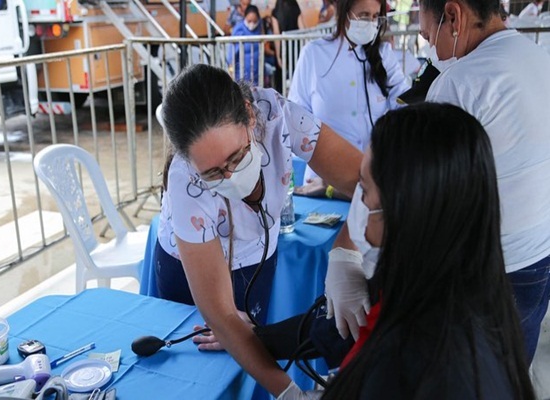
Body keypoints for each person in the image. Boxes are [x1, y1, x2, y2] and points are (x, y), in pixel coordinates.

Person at [155, 64, 362, 398]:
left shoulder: (278, 116)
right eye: (212, 173)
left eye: (237, 156)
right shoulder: (185, 180)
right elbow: (220, 314)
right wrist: (290, 393)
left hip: (255, 257)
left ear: (250, 116)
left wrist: (345, 251)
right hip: (188, 268)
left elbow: (366, 180)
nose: (230, 176)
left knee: (249, 357)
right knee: (198, 376)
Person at [318, 102, 536, 399]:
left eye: (365, 191)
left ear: (407, 212)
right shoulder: (475, 309)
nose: (360, 206)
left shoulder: (408, 365)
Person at [419, 0, 550, 365]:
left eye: (428, 35)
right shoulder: (539, 58)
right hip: (540, 257)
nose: (430, 49)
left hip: (485, 273)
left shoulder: (458, 85)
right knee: (512, 371)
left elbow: (432, 203)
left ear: (453, 15)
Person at [288, 0, 410, 198]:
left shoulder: (384, 56)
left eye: (374, 17)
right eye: (363, 16)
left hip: (374, 183)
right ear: (344, 13)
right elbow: (295, 121)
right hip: (322, 185)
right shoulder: (314, 54)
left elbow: (405, 105)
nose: (370, 23)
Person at [271, 0, 305, 93]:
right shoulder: (296, 8)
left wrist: (278, 56)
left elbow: (277, 35)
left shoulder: (275, 12)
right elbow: (303, 30)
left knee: (282, 84)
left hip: (283, 50)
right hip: (296, 49)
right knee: (297, 80)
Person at [227, 5, 263, 85]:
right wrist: (231, 72)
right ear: (245, 17)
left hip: (256, 75)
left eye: (254, 21)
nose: (252, 24)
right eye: (249, 21)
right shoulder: (239, 29)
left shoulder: (259, 28)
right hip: (241, 76)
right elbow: (231, 55)